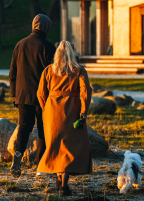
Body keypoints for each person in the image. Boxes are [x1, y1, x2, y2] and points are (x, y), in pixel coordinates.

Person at [36, 41, 92, 197]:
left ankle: (59, 179)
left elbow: (40, 93)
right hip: (72, 111)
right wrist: (83, 112)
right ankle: (63, 185)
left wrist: (46, 108)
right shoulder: (79, 71)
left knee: (55, 145)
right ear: (73, 54)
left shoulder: (49, 70)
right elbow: (85, 92)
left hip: (52, 110)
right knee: (69, 147)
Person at [9, 14, 56, 178]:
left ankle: (17, 156)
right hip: (42, 97)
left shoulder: (20, 44)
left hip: (22, 95)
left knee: (24, 127)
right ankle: (40, 166)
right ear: (46, 27)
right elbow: (53, 76)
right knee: (43, 130)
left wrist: (14, 95)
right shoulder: (49, 47)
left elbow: (12, 73)